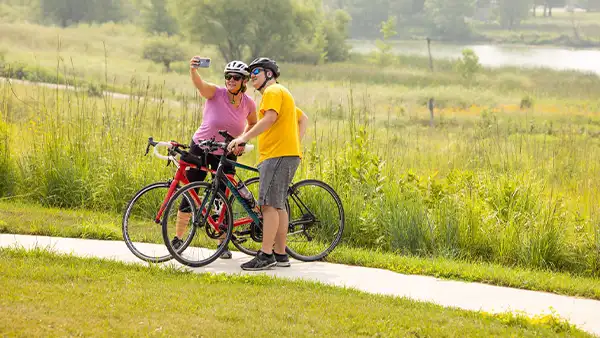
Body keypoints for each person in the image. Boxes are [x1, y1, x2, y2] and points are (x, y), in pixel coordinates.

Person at [172, 57, 257, 259]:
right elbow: (201, 86)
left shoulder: (249, 103)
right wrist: (193, 70)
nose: (231, 80)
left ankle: (221, 242)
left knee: (223, 195)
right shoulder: (216, 93)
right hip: (201, 147)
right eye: (228, 76)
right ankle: (178, 238)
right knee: (190, 190)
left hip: (227, 152)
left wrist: (241, 140)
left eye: (236, 77)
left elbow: (253, 124)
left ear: (244, 81)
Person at [228, 57, 309, 270]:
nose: (252, 76)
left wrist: (244, 138)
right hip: (284, 154)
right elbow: (303, 119)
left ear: (269, 74)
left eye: (256, 72)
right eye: (251, 73)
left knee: (268, 206)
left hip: (277, 156)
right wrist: (294, 146)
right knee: (278, 205)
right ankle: (281, 254)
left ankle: (266, 255)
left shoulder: (273, 92)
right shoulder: (282, 92)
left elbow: (270, 118)